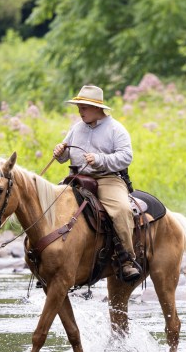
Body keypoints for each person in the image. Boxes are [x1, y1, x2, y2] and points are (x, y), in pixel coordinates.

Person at [53, 85, 141, 282]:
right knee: (52, 203)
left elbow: (126, 157)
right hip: (76, 178)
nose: (79, 111)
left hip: (107, 178)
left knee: (121, 210)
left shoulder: (116, 129)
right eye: (79, 107)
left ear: (96, 108)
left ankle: (127, 259)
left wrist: (100, 159)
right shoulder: (76, 128)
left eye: (83, 107)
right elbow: (66, 154)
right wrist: (60, 152)